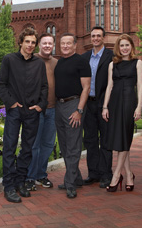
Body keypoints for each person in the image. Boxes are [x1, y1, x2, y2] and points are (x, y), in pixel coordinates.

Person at [0, 27, 48, 203]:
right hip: (14, 112)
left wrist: (41, 105)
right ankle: (9, 186)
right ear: (20, 41)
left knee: (27, 149)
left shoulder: (39, 63)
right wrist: (11, 103)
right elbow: (1, 84)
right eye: (27, 41)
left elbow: (44, 86)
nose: (30, 45)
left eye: (33, 42)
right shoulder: (9, 60)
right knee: (9, 148)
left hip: (32, 113)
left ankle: (20, 182)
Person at [102, 34, 142, 192]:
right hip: (114, 103)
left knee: (125, 137)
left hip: (129, 102)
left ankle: (116, 175)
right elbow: (109, 86)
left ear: (132, 47)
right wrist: (105, 107)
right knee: (119, 139)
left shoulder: (137, 63)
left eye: (127, 45)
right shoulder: (112, 65)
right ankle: (128, 174)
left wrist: (139, 106)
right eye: (122, 46)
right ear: (118, 48)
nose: (124, 48)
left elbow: (140, 86)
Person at [54, 33, 91, 199]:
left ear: (75, 45)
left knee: (73, 145)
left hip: (73, 105)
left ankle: (70, 184)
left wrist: (79, 110)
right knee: (64, 145)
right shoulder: (60, 62)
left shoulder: (81, 61)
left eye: (69, 43)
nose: (66, 46)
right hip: (59, 105)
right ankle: (76, 178)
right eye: (63, 44)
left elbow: (86, 88)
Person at [81, 26, 114, 188]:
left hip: (104, 104)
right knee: (90, 140)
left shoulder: (111, 56)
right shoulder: (85, 56)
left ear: (103, 37)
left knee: (106, 140)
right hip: (89, 104)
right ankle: (93, 173)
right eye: (93, 35)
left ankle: (106, 174)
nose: (95, 38)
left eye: (98, 36)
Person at [25, 33, 58, 190]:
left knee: (48, 144)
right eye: (44, 43)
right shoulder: (32, 60)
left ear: (53, 45)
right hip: (37, 109)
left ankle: (41, 174)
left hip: (52, 109)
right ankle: (30, 177)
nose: (47, 46)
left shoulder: (56, 63)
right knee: (35, 145)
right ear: (39, 45)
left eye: (50, 43)